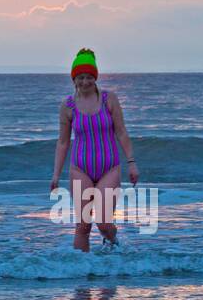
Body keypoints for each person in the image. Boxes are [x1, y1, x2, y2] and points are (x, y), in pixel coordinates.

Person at [50, 49, 140, 251]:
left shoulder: (109, 99)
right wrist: (55, 175)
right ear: (74, 78)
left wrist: (131, 163)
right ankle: (81, 276)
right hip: (80, 169)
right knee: (82, 226)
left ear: (95, 77)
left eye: (89, 77)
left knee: (104, 224)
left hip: (109, 169)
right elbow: (63, 142)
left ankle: (113, 243)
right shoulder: (68, 106)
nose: (85, 82)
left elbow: (122, 133)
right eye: (80, 77)